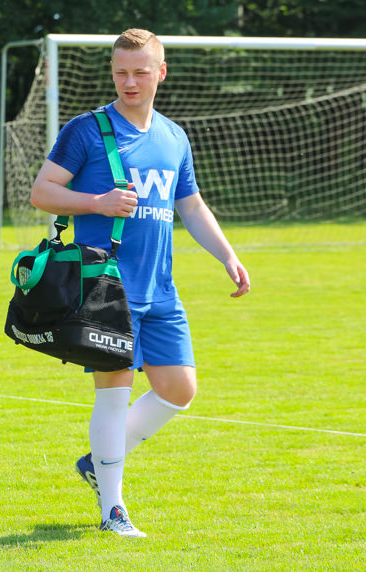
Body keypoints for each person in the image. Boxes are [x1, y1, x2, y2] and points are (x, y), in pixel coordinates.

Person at [31, 28, 251, 538]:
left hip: (160, 288)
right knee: (114, 392)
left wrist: (227, 254)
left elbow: (189, 204)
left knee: (178, 389)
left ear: (161, 73)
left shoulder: (174, 136)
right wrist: (96, 203)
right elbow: (42, 192)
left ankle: (99, 462)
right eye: (121, 72)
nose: (129, 82)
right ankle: (113, 510)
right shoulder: (86, 130)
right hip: (104, 286)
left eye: (140, 72)